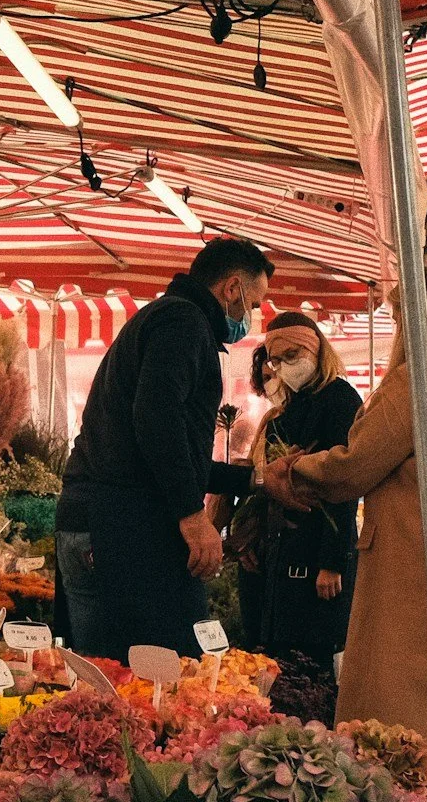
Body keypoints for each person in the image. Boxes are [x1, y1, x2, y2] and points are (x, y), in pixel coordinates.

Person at [261, 264, 427, 773]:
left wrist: (293, 470)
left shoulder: (419, 383)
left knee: (400, 748)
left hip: (418, 579)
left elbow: (353, 465)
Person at [60, 236, 273, 658]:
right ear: (232, 287)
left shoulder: (162, 320)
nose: (251, 317)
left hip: (91, 517)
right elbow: (157, 421)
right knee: (153, 678)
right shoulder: (183, 323)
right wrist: (193, 517)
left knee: (102, 682)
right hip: (124, 529)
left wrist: (254, 478)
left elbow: (167, 448)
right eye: (253, 303)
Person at [232, 310, 361, 665]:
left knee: (311, 657)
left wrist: (332, 562)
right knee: (280, 655)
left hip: (319, 549)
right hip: (283, 548)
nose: (285, 367)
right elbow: (268, 482)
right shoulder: (287, 411)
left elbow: (344, 482)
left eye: (293, 356)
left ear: (317, 350)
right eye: (277, 360)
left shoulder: (341, 400)